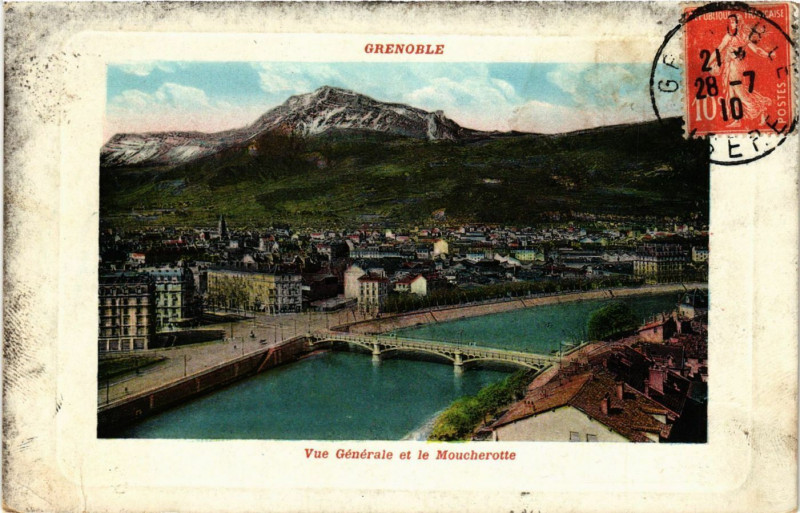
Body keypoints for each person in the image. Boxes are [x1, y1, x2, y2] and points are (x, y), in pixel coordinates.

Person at [709, 14, 773, 125]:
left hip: (737, 67)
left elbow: (756, 49)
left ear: (739, 23)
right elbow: (718, 50)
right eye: (730, 22)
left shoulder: (743, 37)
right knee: (732, 93)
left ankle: (762, 109)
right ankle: (737, 119)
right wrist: (707, 63)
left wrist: (768, 54)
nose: (731, 25)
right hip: (728, 67)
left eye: (733, 22)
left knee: (740, 92)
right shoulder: (728, 36)